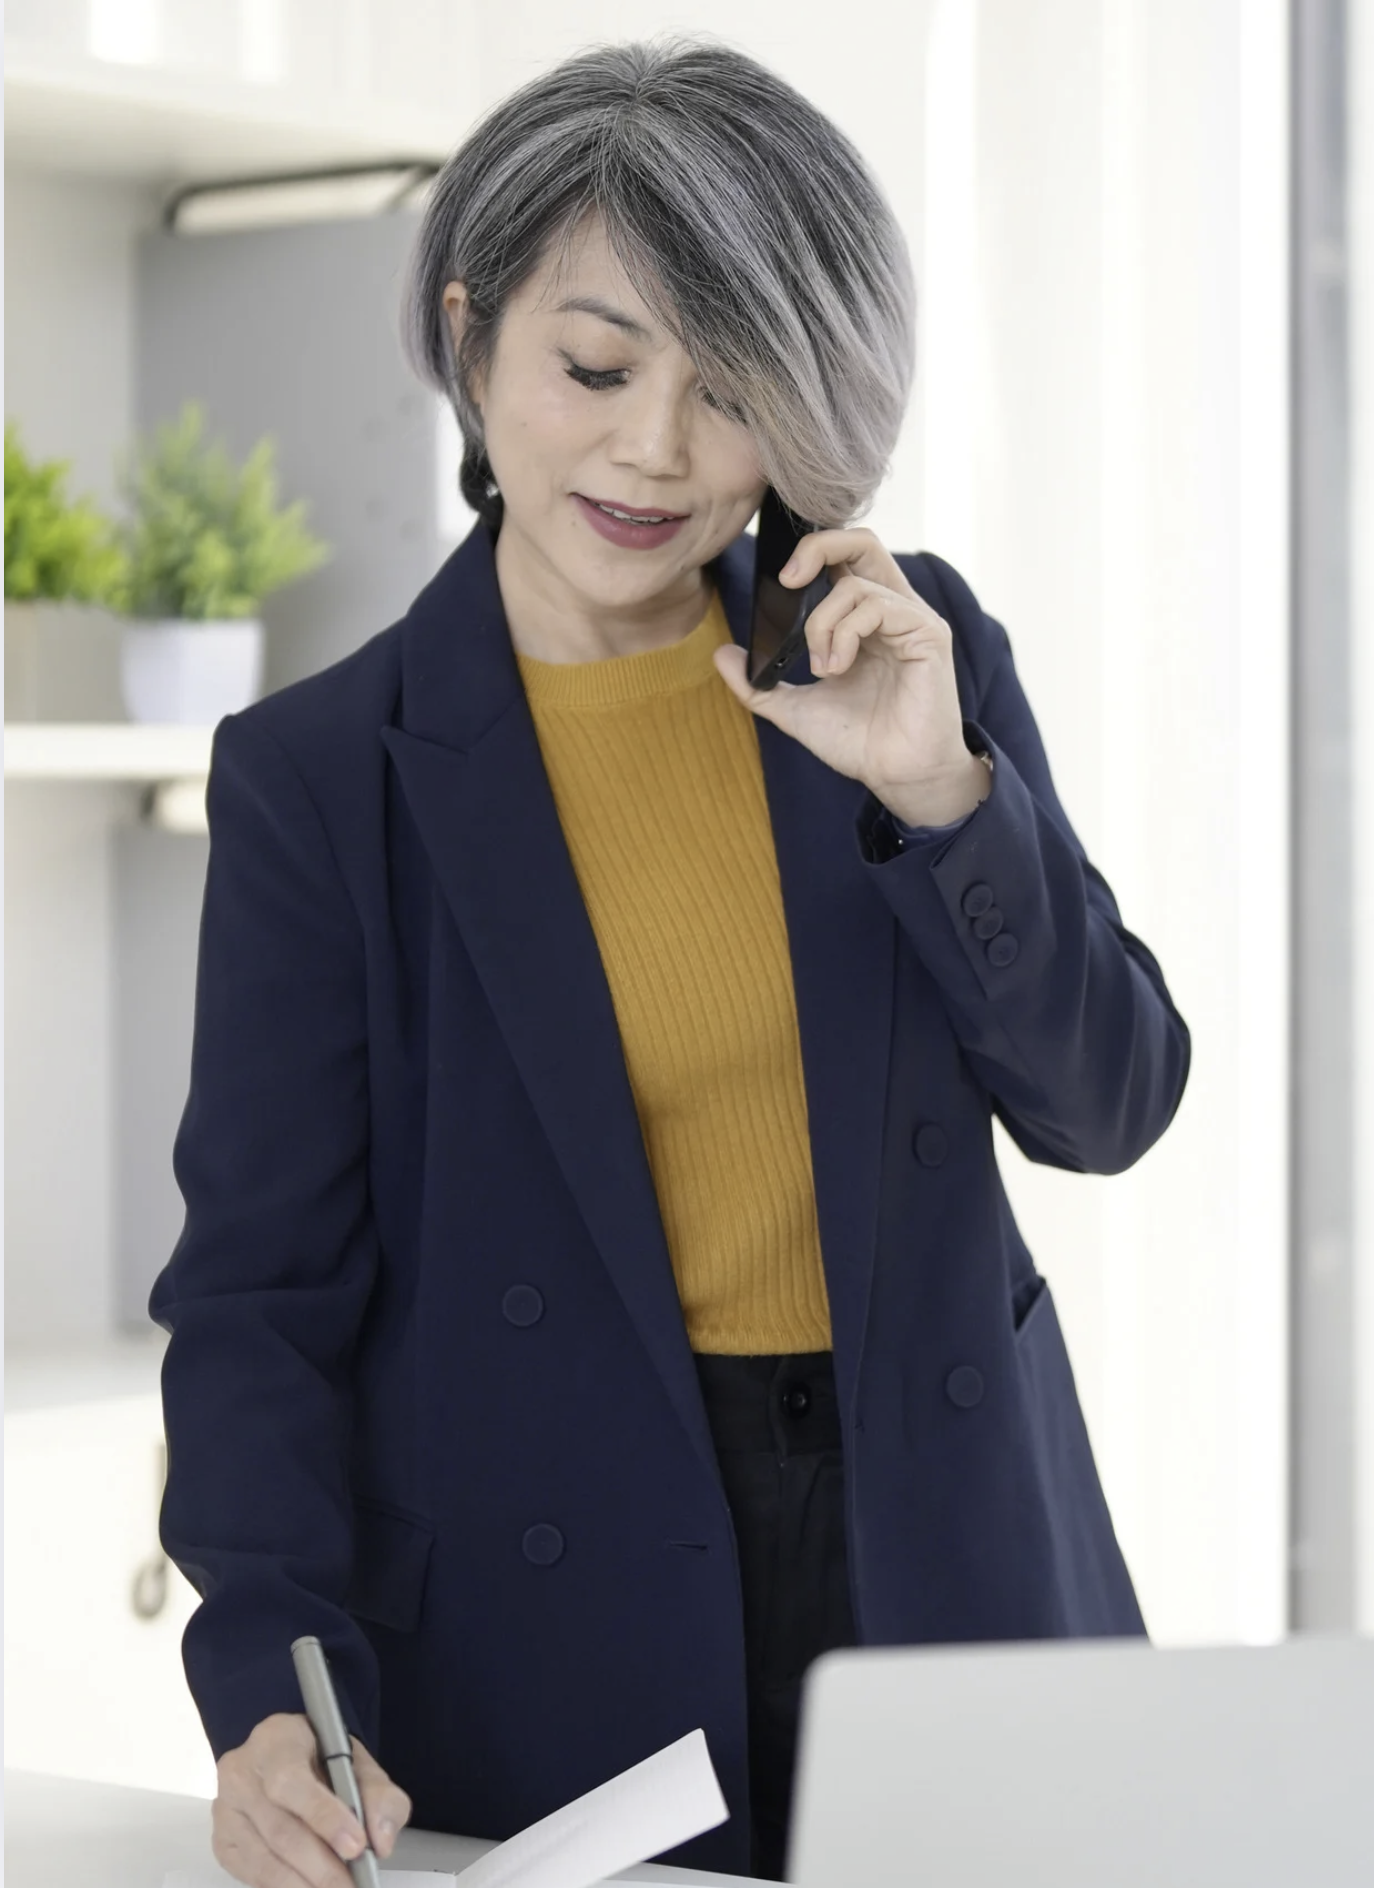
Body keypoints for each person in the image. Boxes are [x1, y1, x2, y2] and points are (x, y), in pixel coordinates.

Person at [150, 34, 1191, 1888]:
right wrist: (267, 1683)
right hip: (553, 1591)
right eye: (595, 366)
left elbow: (1106, 1106)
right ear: (471, 339)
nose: (655, 449)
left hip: (948, 1553)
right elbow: (262, 1297)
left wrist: (941, 793)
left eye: (732, 390)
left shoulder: (902, 657)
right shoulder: (323, 775)